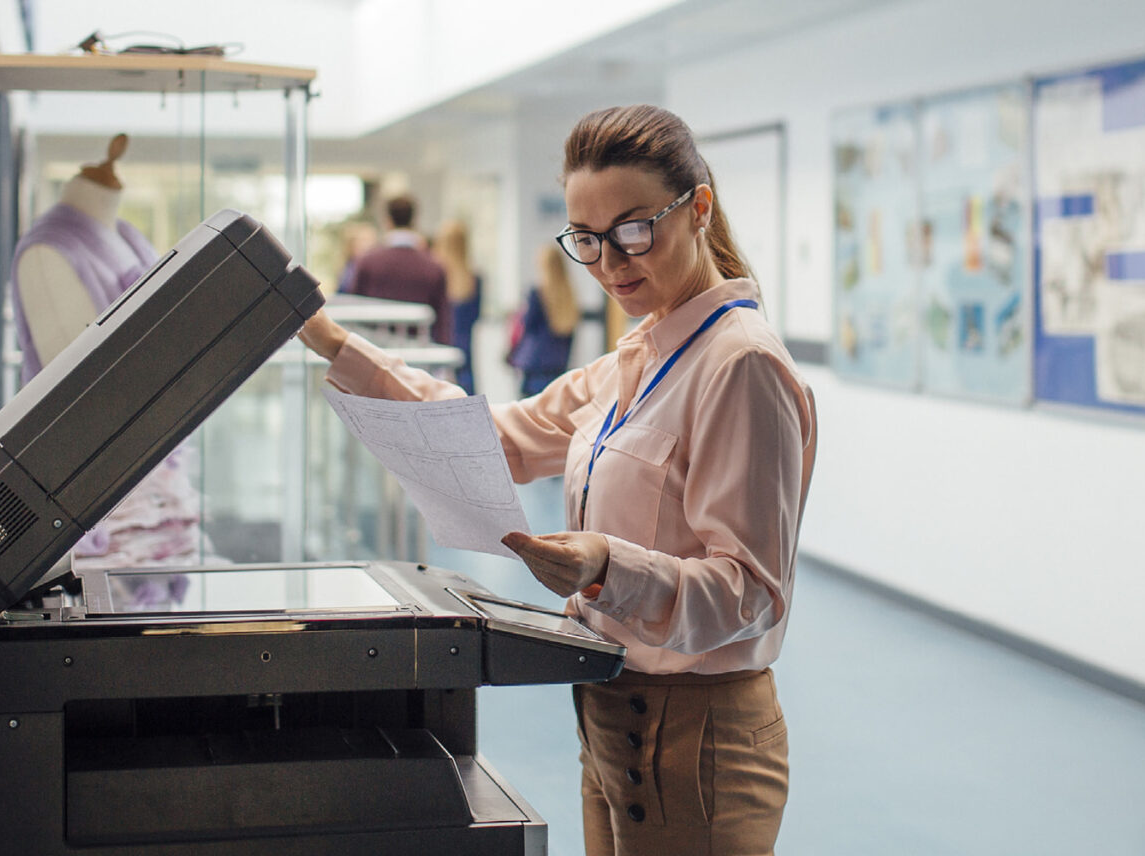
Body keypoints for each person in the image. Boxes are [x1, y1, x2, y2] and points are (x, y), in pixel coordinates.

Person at [296, 104, 814, 856]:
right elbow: (493, 439)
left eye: (635, 230)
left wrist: (608, 566)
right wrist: (333, 342)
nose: (611, 263)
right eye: (587, 240)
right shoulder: (638, 358)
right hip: (609, 715)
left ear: (699, 208)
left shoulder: (740, 366)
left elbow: (750, 594)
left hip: (697, 739)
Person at [8, 133, 202, 571]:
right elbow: (82, 394)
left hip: (160, 483)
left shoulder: (129, 236)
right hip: (99, 495)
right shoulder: (47, 251)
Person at [339, 195, 452, 344]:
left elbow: (355, 310)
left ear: (387, 220)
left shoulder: (367, 263)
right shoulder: (434, 267)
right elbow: (443, 321)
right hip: (419, 355)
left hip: (376, 352)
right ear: (414, 220)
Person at [509, 244, 581, 396]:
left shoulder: (537, 294)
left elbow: (527, 325)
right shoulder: (570, 296)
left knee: (528, 414)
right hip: (558, 365)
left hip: (534, 364)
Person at [434, 219, 484, 391]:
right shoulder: (474, 279)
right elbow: (476, 315)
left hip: (440, 346)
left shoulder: (437, 278)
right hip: (464, 348)